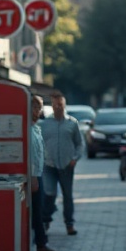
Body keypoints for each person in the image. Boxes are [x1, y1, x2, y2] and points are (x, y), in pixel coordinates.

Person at [40, 91, 84, 236]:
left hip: (67, 165)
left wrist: (75, 158)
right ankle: (46, 221)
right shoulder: (45, 124)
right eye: (55, 104)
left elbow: (80, 144)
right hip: (49, 166)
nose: (58, 107)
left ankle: (69, 224)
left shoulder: (72, 123)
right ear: (51, 106)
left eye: (60, 104)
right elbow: (39, 143)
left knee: (67, 196)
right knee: (49, 194)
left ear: (64, 105)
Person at [29, 94, 56, 251]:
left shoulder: (35, 127)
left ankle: (40, 243)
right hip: (33, 176)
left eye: (40, 107)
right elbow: (30, 155)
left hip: (39, 173)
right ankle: (37, 246)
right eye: (35, 106)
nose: (38, 111)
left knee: (38, 212)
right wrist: (33, 177)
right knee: (34, 214)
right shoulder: (25, 127)